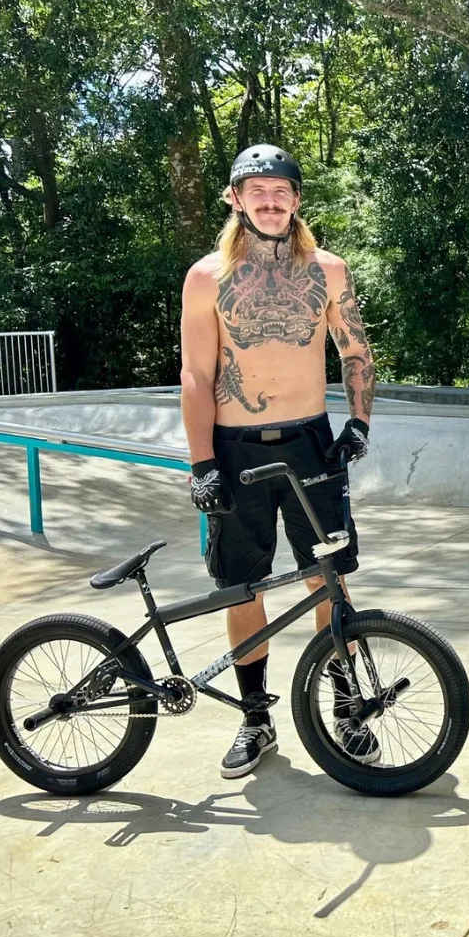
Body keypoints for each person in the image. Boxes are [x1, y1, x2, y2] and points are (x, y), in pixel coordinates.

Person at [179, 144, 377, 779]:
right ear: (235, 200)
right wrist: (202, 462)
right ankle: (256, 718)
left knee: (330, 577)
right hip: (235, 451)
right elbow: (196, 372)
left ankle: (346, 709)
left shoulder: (329, 270)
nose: (270, 201)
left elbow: (354, 351)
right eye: (256, 191)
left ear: (296, 199)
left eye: (281, 190)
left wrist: (360, 424)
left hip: (311, 443)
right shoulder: (207, 276)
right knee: (243, 586)